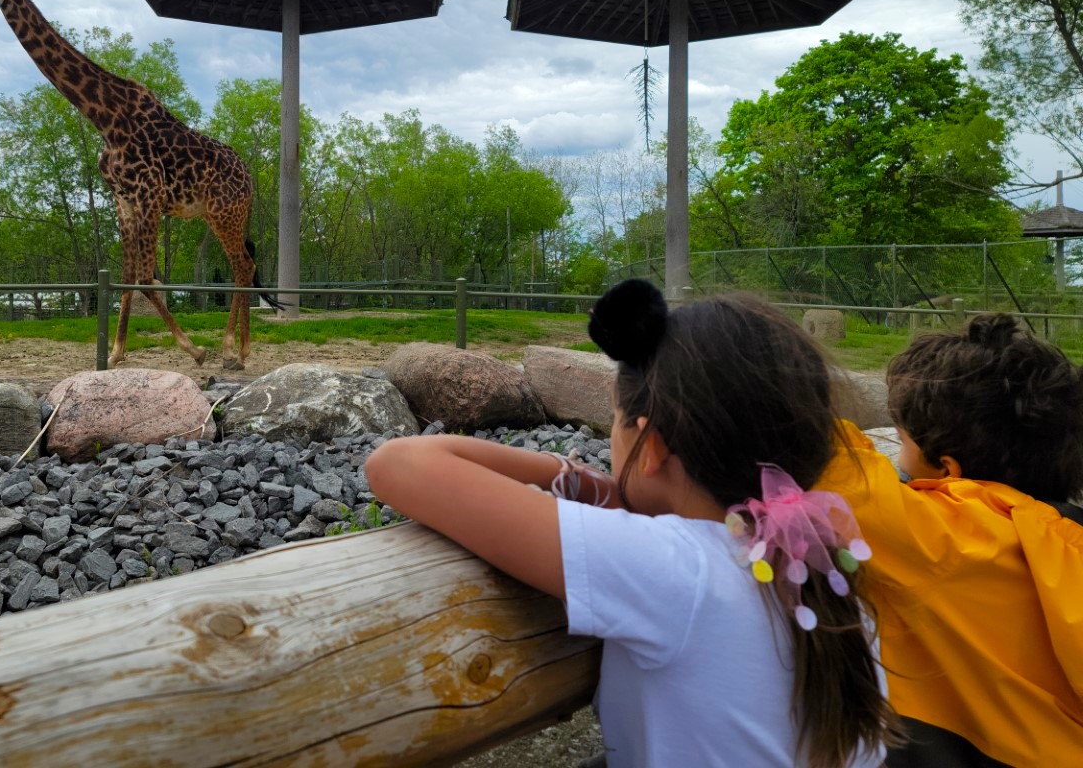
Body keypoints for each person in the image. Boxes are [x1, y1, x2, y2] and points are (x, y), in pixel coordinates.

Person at [365, 280, 896, 767]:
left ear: (652, 446)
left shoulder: (675, 567)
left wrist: (574, 476)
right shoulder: (819, 561)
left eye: (616, 421)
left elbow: (398, 464)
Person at [819, 313, 1083, 766]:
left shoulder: (949, 537)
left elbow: (816, 455)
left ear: (948, 471)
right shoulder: (1064, 537)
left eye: (900, 443)